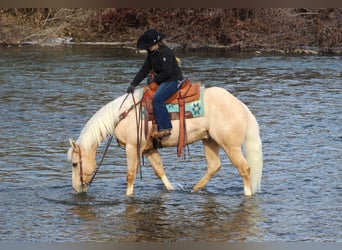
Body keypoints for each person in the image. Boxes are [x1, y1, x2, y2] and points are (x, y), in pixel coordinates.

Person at [127, 29, 184, 139]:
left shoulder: (166, 52)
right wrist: (133, 84)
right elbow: (144, 70)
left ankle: (165, 128)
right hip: (162, 80)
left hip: (172, 80)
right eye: (148, 46)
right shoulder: (151, 55)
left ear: (156, 43)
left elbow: (167, 72)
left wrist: (155, 80)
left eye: (150, 45)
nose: (149, 47)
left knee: (157, 99)